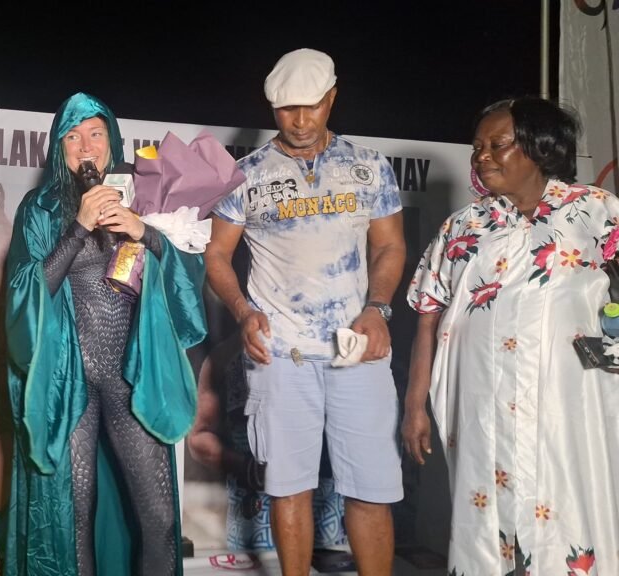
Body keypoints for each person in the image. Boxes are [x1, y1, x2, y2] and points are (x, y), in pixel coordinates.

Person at [205, 48, 405, 576]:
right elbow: (217, 257)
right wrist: (245, 313)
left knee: (371, 485)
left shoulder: (368, 167)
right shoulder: (244, 174)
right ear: (272, 110)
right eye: (286, 110)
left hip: (356, 348)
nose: (299, 121)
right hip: (282, 352)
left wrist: (378, 309)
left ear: (331, 99)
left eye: (311, 107)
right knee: (288, 483)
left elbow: (390, 247)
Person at [403, 97, 619, 574]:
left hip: (569, 398)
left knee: (567, 504)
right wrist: (414, 405)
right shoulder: (464, 226)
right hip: (482, 400)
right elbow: (427, 312)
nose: (482, 156)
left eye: (497, 144)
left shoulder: (594, 210)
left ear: (538, 148)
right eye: (477, 146)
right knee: (485, 510)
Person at [4, 92, 207, 576]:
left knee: (157, 518)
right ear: (59, 148)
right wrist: (78, 228)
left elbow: (186, 286)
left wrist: (147, 233)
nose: (85, 146)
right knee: (73, 519)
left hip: (130, 378)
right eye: (72, 137)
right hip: (68, 380)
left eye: (95, 133)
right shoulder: (41, 207)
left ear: (112, 139)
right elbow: (24, 294)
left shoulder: (145, 193)